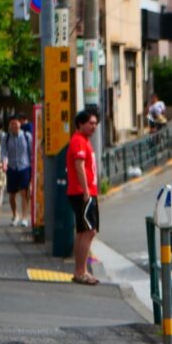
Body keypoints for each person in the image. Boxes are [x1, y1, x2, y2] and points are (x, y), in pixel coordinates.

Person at [66, 108, 101, 285]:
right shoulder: (79, 141)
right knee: (89, 231)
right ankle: (81, 271)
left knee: (83, 231)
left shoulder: (83, 141)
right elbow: (79, 166)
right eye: (90, 123)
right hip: (82, 192)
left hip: (84, 191)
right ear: (80, 123)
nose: (94, 127)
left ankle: (80, 270)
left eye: (95, 123)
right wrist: (87, 191)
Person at [2, 116, 32, 227]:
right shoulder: (6, 137)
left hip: (24, 167)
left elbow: (31, 153)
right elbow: (4, 152)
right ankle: (15, 215)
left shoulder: (26, 136)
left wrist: (32, 168)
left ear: (20, 124)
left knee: (24, 193)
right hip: (11, 167)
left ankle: (24, 217)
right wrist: (4, 163)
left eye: (16, 123)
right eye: (12, 124)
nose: (14, 126)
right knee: (12, 194)